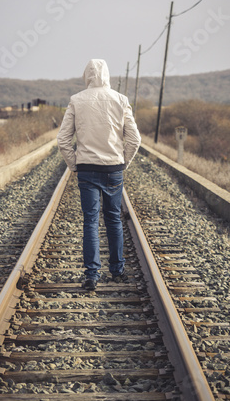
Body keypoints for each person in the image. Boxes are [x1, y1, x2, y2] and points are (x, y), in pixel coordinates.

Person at [57, 59, 141, 290]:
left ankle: (92, 275)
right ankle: (117, 270)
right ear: (107, 75)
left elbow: (63, 140)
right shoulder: (120, 99)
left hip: (87, 170)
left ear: (87, 76)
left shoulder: (76, 100)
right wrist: (124, 163)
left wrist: (75, 165)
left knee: (90, 222)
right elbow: (135, 139)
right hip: (113, 168)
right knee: (113, 219)